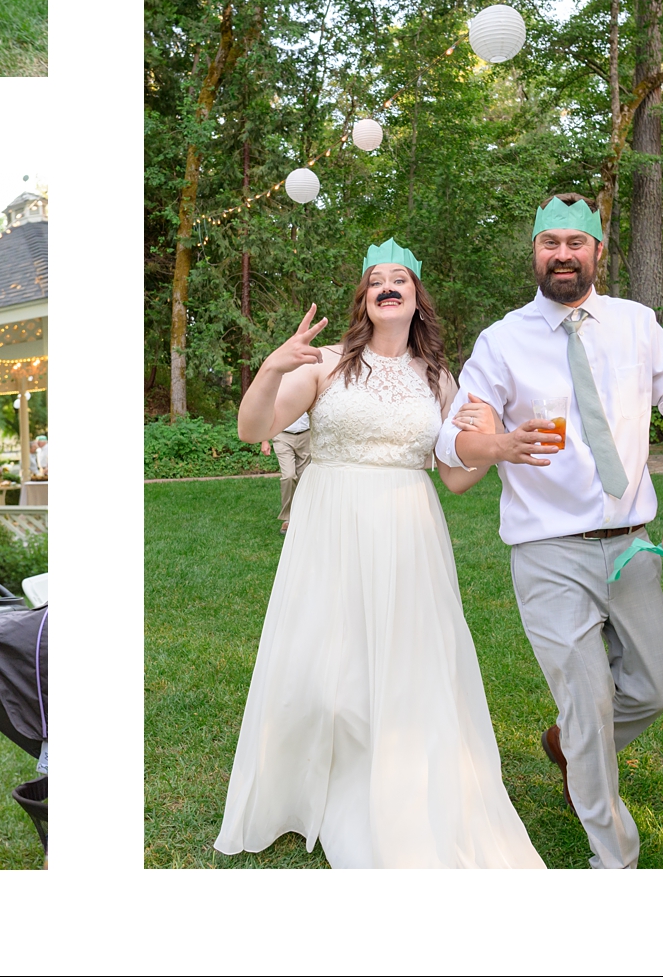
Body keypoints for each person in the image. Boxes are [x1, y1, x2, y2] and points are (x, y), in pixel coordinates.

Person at [217, 240, 544, 868]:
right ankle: (308, 779)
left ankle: (390, 781)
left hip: (407, 525)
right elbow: (252, 430)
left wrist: (492, 446)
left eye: (401, 280)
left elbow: (454, 478)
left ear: (418, 300)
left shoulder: (440, 380)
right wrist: (271, 367)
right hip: (329, 520)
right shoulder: (328, 364)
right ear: (365, 302)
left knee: (402, 659)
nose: (388, 287)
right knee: (322, 658)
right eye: (376, 282)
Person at [435, 197, 663, 870]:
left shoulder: (637, 325)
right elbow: (454, 449)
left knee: (652, 690)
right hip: (547, 551)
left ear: (598, 250)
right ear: (534, 252)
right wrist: (497, 443)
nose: (562, 254)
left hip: (633, 544)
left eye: (576, 242)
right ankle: (612, 861)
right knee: (590, 705)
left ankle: (570, 745)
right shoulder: (502, 341)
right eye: (549, 242)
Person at [258, 406, 312, 533]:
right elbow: (265, 412)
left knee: (303, 478)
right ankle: (288, 518)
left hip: (306, 435)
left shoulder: (308, 387)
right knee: (289, 476)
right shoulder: (279, 388)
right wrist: (264, 440)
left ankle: (302, 515)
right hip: (282, 436)